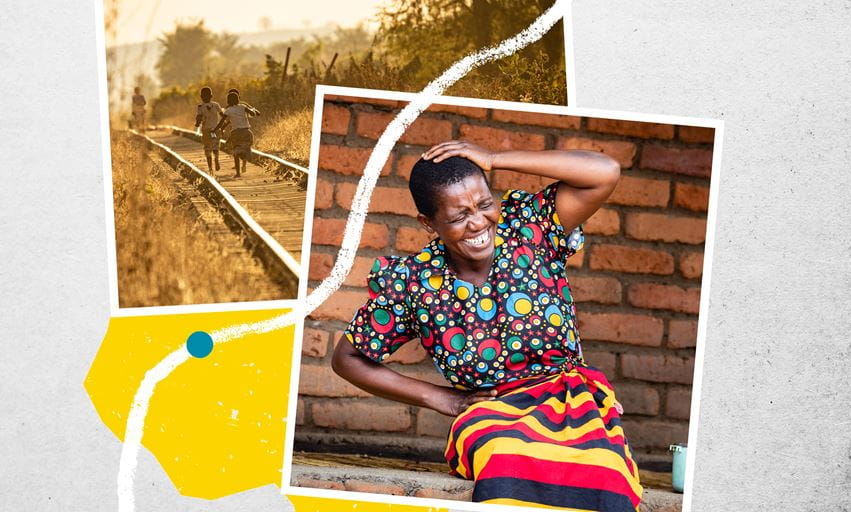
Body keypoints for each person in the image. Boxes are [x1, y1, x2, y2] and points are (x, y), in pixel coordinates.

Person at [331, 140, 642, 511]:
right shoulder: (413, 283)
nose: (478, 222)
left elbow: (605, 172)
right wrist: (441, 397)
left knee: (605, 472)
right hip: (493, 414)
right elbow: (347, 358)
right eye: (459, 215)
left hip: (572, 403)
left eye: (484, 205)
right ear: (428, 224)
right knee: (507, 462)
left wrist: (495, 158)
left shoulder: (530, 228)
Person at [213, 91, 258, 178]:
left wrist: (215, 129)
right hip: (246, 132)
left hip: (236, 133)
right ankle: (245, 156)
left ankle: (238, 173)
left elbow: (222, 122)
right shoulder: (243, 107)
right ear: (238, 100)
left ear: (228, 101)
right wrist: (252, 110)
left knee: (236, 153)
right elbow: (253, 114)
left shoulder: (228, 110)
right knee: (245, 147)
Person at [194, 86, 223, 175]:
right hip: (211, 130)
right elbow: (222, 115)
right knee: (211, 148)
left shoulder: (208, 106)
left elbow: (222, 114)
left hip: (211, 130)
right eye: (204, 96)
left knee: (211, 148)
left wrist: (197, 124)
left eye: (205, 96)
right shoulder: (209, 106)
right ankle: (213, 164)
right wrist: (197, 123)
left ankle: (213, 164)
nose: (204, 98)